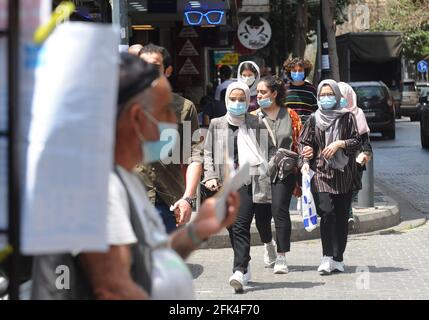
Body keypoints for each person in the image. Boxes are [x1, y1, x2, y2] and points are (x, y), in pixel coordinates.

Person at [31, 53, 240, 300]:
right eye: (164, 111)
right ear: (137, 117)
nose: (173, 119)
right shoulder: (102, 189)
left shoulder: (124, 180)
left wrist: (197, 230)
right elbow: (115, 288)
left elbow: (149, 260)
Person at [203, 81, 274, 293]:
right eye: (233, 99)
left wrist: (265, 169)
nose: (237, 103)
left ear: (247, 100)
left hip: (249, 181)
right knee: (232, 227)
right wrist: (210, 176)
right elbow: (207, 152)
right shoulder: (216, 124)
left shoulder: (256, 122)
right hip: (223, 183)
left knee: (241, 224)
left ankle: (239, 270)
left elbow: (270, 150)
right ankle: (245, 263)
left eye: (241, 99)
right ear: (226, 100)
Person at [137, 43, 203, 233]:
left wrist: (187, 198)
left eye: (155, 67)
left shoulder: (184, 108)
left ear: (167, 70)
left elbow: (194, 157)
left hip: (167, 201)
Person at [299, 79, 362, 275]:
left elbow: (357, 141)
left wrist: (340, 144)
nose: (326, 98)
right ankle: (326, 256)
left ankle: (338, 258)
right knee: (326, 213)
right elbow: (303, 143)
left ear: (337, 96)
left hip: (343, 173)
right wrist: (306, 153)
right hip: (321, 172)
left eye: (329, 95)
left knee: (342, 216)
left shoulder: (347, 117)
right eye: (322, 95)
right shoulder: (313, 119)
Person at [253, 76, 306, 274]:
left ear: (274, 94)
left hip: (285, 170)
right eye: (257, 92)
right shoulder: (252, 116)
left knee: (279, 210)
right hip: (260, 172)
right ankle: (268, 245)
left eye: (263, 92)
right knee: (261, 216)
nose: (259, 95)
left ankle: (282, 256)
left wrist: (304, 162)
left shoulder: (290, 115)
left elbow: (300, 140)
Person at [338, 82, 373, 229]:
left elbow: (364, 137)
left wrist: (367, 152)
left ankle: (345, 211)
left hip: (356, 158)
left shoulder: (358, 113)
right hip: (339, 158)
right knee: (342, 189)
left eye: (343, 96)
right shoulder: (331, 114)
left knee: (354, 188)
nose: (341, 99)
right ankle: (347, 215)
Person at [283, 57, 318, 123]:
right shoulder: (284, 89)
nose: (297, 73)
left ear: (305, 72)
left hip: (306, 128)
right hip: (288, 127)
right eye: (294, 70)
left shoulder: (312, 89)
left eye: (300, 70)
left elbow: (316, 110)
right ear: (289, 72)